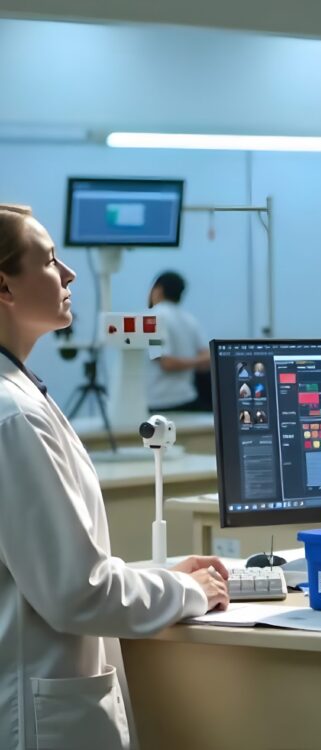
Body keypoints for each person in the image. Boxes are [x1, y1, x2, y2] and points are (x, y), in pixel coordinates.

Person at [0, 206, 230, 750]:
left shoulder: (19, 398)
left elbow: (45, 567)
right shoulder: (15, 416)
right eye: (51, 260)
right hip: (39, 716)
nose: (70, 274)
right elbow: (77, 592)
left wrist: (156, 573)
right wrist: (185, 590)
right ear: (4, 287)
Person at [147, 270, 211, 412]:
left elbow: (165, 363)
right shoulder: (190, 320)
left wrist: (190, 361)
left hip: (158, 402)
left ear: (158, 290)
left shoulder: (152, 319)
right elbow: (207, 358)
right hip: (188, 399)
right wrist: (195, 361)